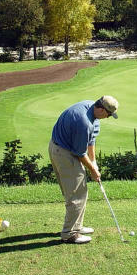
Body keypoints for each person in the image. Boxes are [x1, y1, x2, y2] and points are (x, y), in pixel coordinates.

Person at [48, 95, 119, 244]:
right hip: (64, 153)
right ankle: (70, 234)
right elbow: (79, 153)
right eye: (108, 114)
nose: (108, 117)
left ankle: (76, 226)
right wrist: (93, 170)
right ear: (100, 109)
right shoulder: (83, 122)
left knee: (79, 190)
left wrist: (94, 162)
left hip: (61, 147)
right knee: (77, 193)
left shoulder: (91, 109)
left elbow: (91, 139)